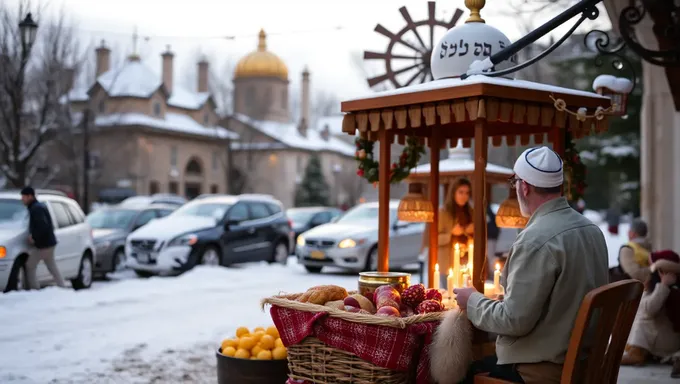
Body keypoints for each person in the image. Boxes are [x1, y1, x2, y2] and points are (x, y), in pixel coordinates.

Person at [454, 146, 609, 384]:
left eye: (514, 182)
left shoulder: (535, 239)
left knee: (454, 372)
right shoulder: (592, 230)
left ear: (524, 186)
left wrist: (472, 300)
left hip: (543, 369)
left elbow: (514, 321)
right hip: (585, 364)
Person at [621, 250, 680, 378]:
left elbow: (649, 309)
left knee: (643, 316)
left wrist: (663, 286)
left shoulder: (671, 290)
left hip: (668, 344)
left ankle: (636, 353)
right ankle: (636, 351)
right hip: (663, 341)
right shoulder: (656, 287)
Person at [421, 178, 474, 288]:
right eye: (461, 192)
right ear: (453, 192)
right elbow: (431, 239)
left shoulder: (471, 212)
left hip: (467, 261)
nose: (464, 196)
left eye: (467, 193)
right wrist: (451, 233)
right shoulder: (443, 213)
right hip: (448, 262)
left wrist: (470, 232)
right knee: (450, 293)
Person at [21, 187, 65, 289]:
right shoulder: (38, 206)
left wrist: (34, 237)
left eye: (23, 196)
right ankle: (61, 286)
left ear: (30, 196)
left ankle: (35, 290)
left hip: (44, 245)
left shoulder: (36, 209)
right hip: (48, 243)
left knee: (30, 265)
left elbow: (42, 226)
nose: (22, 199)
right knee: (51, 266)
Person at [486, 204, 500, 280]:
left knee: (490, 258)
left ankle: (492, 276)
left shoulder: (487, 210)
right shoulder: (487, 209)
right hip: (490, 237)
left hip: (490, 238)